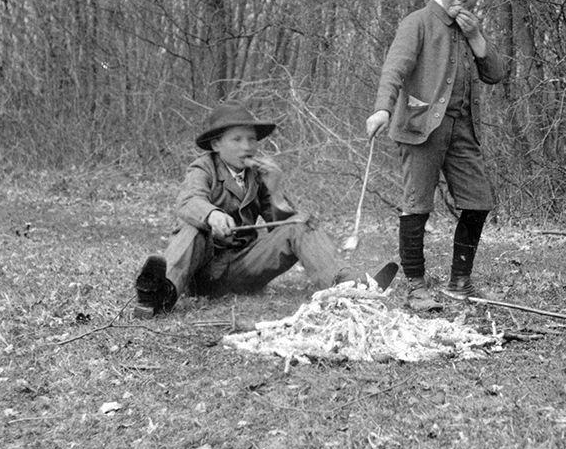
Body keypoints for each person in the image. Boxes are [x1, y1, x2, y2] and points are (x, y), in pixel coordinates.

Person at [133, 101, 395, 317]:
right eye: (236, 139)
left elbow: (281, 226)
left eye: (251, 139)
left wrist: (276, 189)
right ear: (216, 145)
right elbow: (188, 201)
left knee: (301, 222)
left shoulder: (258, 174)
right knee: (192, 228)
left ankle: (347, 287)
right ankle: (160, 295)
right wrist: (212, 215)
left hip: (241, 273)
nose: (247, 146)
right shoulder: (204, 167)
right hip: (200, 273)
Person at [365, 0, 507, 308]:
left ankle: (460, 282)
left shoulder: (470, 27)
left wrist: (477, 37)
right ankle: (415, 286)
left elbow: (495, 74)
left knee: (479, 202)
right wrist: (383, 109)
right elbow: (394, 69)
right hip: (419, 127)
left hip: (462, 131)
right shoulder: (418, 22)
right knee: (417, 205)